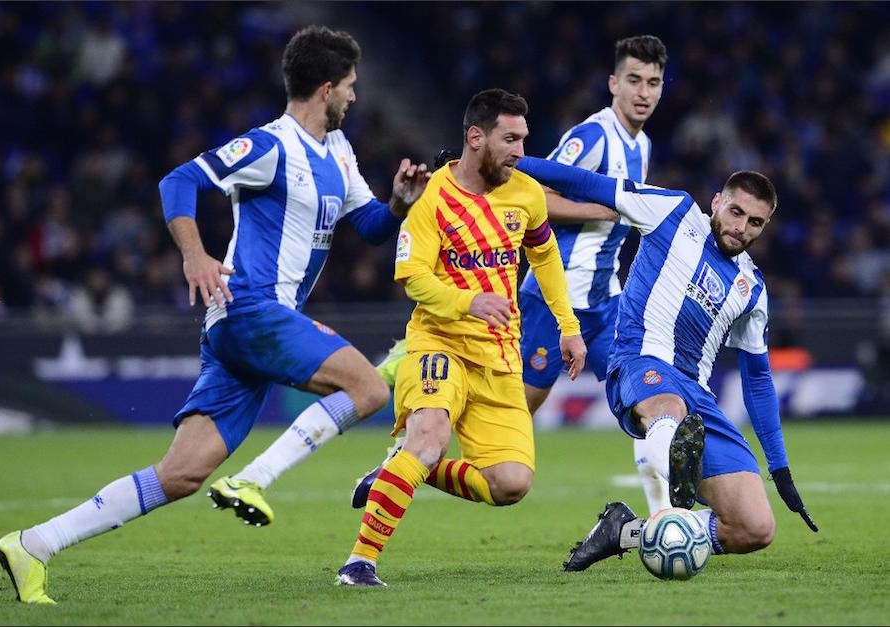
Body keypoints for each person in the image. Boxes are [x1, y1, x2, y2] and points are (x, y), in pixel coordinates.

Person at [0, 24, 430, 604]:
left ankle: (34, 545)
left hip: (248, 330)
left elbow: (373, 227)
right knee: (369, 387)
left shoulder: (341, 153)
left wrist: (400, 201)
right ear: (326, 88)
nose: (355, 95)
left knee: (182, 473)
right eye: (350, 85)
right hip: (251, 309)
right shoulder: (270, 146)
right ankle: (255, 478)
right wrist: (195, 255)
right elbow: (179, 181)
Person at [362, 36, 672, 516]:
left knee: (645, 391)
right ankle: (409, 458)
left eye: (653, 83)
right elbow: (532, 194)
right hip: (551, 297)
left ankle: (662, 513)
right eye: (634, 80)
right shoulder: (592, 137)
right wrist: (602, 208)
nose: (643, 92)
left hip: (605, 298)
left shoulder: (643, 144)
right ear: (613, 83)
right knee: (514, 413)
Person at [512, 156, 818, 572]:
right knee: (668, 409)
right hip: (641, 363)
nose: (741, 227)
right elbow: (585, 181)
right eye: (736, 212)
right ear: (716, 202)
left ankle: (625, 531)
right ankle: (676, 474)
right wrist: (510, 162)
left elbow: (758, 380)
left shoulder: (752, 289)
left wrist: (779, 467)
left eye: (756, 222)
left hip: (698, 395)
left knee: (755, 528)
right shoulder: (671, 211)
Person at [335, 88, 587, 587]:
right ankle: (359, 562)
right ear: (476, 137)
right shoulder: (431, 197)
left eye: (524, 140)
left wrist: (569, 327)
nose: (520, 151)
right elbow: (412, 277)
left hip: (498, 356)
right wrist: (469, 301)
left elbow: (546, 259)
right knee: (429, 440)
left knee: (511, 485)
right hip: (438, 343)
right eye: (510, 140)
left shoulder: (527, 194)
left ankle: (399, 471)